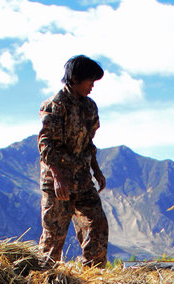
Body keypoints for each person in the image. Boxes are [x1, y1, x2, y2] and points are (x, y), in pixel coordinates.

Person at [38, 54, 109, 268]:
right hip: (57, 184)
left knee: (97, 226)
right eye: (90, 81)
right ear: (76, 78)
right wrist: (58, 178)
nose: (92, 86)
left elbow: (88, 143)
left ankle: (92, 280)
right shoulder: (55, 105)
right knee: (53, 239)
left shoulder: (90, 107)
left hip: (83, 181)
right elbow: (46, 144)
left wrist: (96, 170)